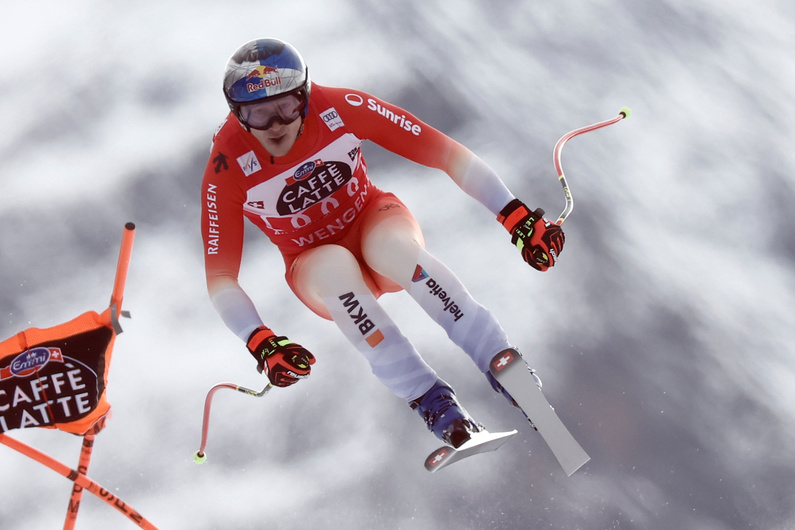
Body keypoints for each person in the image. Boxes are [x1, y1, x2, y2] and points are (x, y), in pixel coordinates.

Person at [200, 38, 562, 449]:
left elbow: (444, 152)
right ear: (236, 114)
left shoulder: (338, 106)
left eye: (286, 107)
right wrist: (258, 339)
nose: (276, 125)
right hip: (311, 262)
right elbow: (220, 277)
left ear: (305, 94)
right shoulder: (226, 164)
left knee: (395, 252)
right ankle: (434, 405)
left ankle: (500, 360)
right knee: (335, 270)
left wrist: (514, 214)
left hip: (375, 220)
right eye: (258, 114)